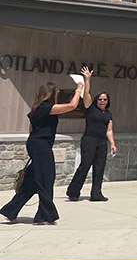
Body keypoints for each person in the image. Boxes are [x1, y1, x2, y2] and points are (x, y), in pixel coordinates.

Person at [1, 76, 85, 225]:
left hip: (36, 144)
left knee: (32, 181)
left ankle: (10, 210)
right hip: (41, 146)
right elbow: (72, 106)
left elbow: (31, 129)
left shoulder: (36, 108)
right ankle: (44, 217)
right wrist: (79, 88)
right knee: (46, 180)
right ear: (51, 94)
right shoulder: (46, 107)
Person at [66, 68, 116, 201]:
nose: (102, 101)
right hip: (89, 139)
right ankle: (73, 192)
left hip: (101, 142)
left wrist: (112, 144)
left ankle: (96, 194)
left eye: (105, 99)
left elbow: (109, 130)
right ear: (96, 100)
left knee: (99, 168)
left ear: (107, 101)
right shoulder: (90, 108)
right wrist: (87, 79)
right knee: (85, 165)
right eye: (100, 99)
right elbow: (86, 93)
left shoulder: (108, 114)